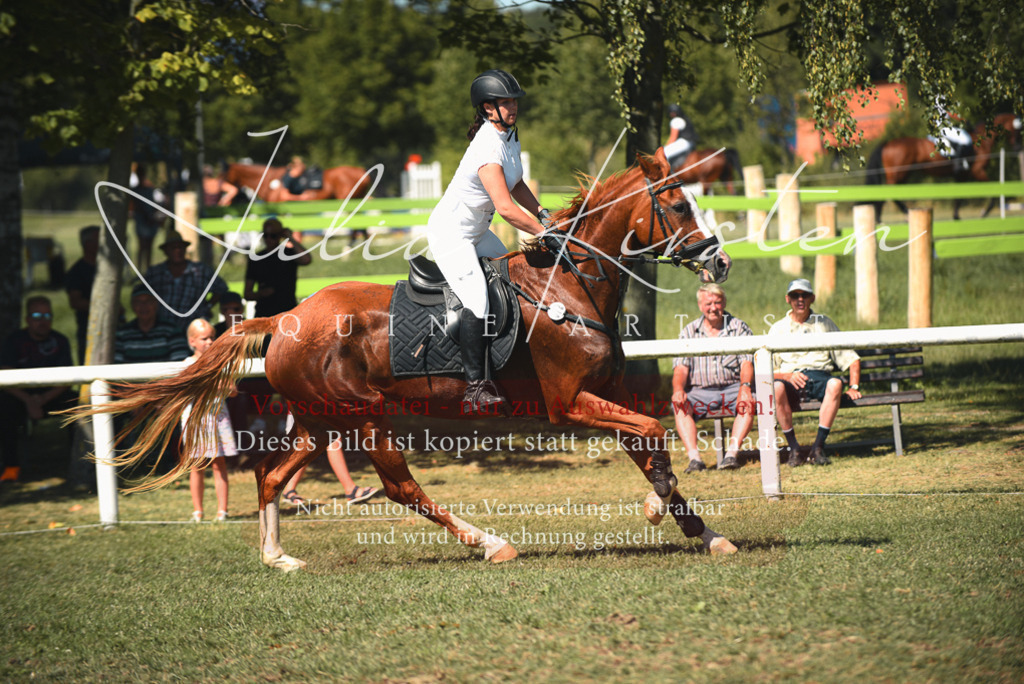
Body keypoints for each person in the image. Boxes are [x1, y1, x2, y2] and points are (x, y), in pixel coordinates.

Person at [425, 68, 553, 412]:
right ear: (487, 108)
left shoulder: (509, 137)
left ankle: (509, 360)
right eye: (505, 102)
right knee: (478, 301)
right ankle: (475, 387)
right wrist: (546, 234)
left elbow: (517, 184)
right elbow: (507, 209)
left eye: (514, 101)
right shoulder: (485, 145)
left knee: (512, 275)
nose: (513, 107)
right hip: (451, 233)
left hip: (477, 232)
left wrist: (543, 213)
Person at [770, 279, 862, 467]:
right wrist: (786, 376)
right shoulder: (778, 328)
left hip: (820, 375)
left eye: (804, 295)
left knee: (835, 384)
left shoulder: (825, 323)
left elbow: (852, 358)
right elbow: (766, 370)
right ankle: (794, 449)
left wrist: (854, 386)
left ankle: (817, 448)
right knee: (776, 387)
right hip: (790, 378)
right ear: (788, 299)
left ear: (812, 298)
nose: (800, 299)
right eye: (795, 295)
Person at [671, 284, 755, 472]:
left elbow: (746, 363)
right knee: (679, 403)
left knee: (749, 401)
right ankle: (695, 460)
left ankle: (731, 455)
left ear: (724, 302)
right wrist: (678, 390)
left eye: (717, 302)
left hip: (732, 388)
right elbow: (680, 368)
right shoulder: (689, 331)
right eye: (708, 303)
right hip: (700, 391)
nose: (713, 307)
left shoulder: (738, 327)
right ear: (701, 305)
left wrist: (745, 387)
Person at [0, 296, 77, 481]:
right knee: (3, 408)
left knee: (79, 405)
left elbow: (68, 379)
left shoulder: (60, 341)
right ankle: (11, 467)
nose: (42, 321)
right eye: (36, 315)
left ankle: (79, 464)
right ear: (27, 319)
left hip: (52, 395)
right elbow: (4, 375)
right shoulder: (13, 340)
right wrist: (28, 400)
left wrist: (42, 400)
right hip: (19, 396)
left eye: (47, 315)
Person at [182, 319, 236, 522]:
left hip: (217, 418)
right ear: (193, 341)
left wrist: (218, 380)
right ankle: (198, 511)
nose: (210, 342)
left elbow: (232, 391)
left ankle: (223, 510)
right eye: (204, 338)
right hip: (195, 420)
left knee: (218, 463)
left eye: (212, 337)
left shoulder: (221, 362)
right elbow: (184, 393)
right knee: (196, 465)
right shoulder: (187, 364)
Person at [143, 231, 228, 333]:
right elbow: (143, 295)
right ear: (165, 251)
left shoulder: (201, 270)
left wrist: (208, 306)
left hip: (193, 325)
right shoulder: (155, 273)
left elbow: (222, 288)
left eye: (180, 247)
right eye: (173, 248)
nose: (177, 251)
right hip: (162, 327)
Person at [243, 218, 312, 318]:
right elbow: (247, 294)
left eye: (273, 236)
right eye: (265, 235)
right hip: (264, 313)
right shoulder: (256, 259)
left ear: (280, 236)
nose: (268, 239)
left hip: (287, 311)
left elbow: (306, 260)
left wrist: (290, 238)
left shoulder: (288, 254)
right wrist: (262, 294)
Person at [114, 284, 191, 364]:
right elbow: (117, 365)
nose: (143, 306)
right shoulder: (122, 333)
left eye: (148, 301)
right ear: (132, 305)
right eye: (138, 302)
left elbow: (180, 363)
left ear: (156, 303)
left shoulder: (172, 331)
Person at [65, 225, 100, 364]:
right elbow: (75, 302)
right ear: (87, 244)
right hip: (88, 329)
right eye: (98, 240)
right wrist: (104, 306)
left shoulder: (105, 268)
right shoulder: (76, 272)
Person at [131, 164, 167, 272]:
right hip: (143, 220)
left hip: (150, 220)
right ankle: (140, 270)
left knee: (148, 247)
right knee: (142, 246)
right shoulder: (136, 190)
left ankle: (147, 270)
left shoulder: (149, 189)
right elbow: (136, 205)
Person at [932, 95, 973, 172]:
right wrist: (964, 120)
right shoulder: (942, 104)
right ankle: (958, 164)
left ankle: (962, 161)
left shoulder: (933, 107)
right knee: (964, 139)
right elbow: (952, 114)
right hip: (945, 129)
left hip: (938, 129)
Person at [664, 103, 699, 172]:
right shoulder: (685, 119)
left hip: (684, 142)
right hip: (691, 143)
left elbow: (673, 138)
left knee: (664, 153)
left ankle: (667, 174)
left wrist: (665, 146)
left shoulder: (676, 121)